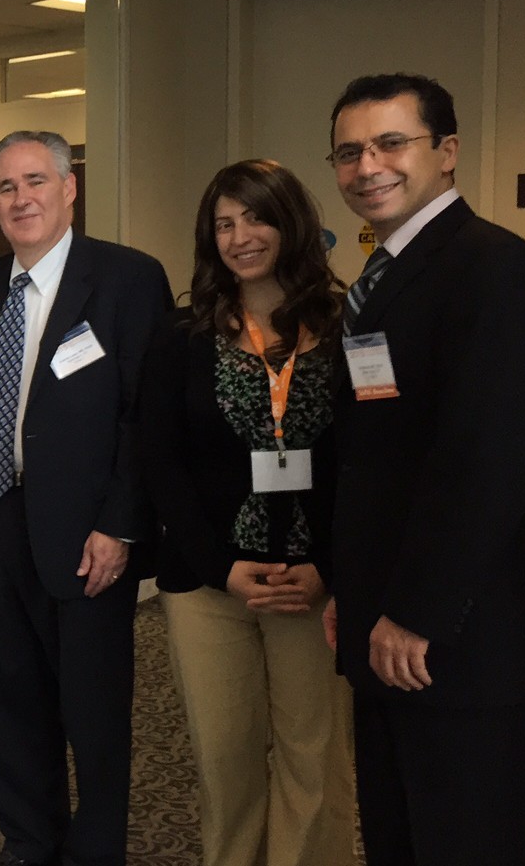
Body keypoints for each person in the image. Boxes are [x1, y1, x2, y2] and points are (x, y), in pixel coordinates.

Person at [323, 73, 525, 866]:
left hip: (463, 638)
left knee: (472, 837)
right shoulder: (384, 276)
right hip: (389, 621)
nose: (367, 166)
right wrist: (354, 596)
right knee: (403, 833)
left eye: (391, 143)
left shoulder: (495, 269)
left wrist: (416, 610)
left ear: (446, 152)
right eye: (348, 151)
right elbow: (381, 449)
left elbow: (488, 463)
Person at [0, 130, 171, 866]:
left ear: (70, 188)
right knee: (5, 703)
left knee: (93, 714)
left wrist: (120, 525)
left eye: (35, 181)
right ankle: (28, 841)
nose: (20, 198)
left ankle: (95, 851)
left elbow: (145, 417)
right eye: (4, 187)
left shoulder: (128, 279)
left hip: (84, 535)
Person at [141, 159, 355, 866]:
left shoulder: (347, 326)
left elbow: (367, 461)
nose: (239, 237)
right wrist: (221, 567)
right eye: (223, 224)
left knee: (312, 756)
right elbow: (160, 462)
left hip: (311, 583)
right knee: (224, 756)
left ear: (288, 222)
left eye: (255, 217)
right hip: (211, 584)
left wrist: (327, 565)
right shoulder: (180, 335)